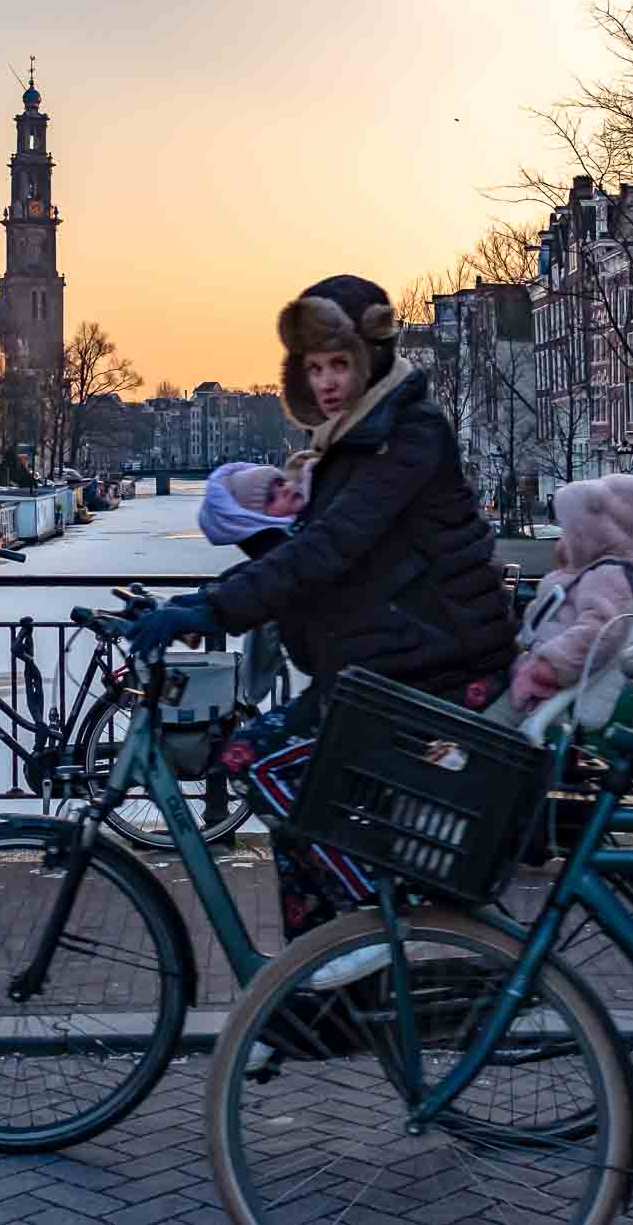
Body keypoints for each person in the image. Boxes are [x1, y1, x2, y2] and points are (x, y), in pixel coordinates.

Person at [125, 274, 517, 985]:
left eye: (340, 364)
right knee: (268, 768)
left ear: (369, 359)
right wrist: (222, 581)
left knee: (260, 762)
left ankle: (374, 927)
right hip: (382, 668)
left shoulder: (409, 435)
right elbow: (313, 555)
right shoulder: (345, 445)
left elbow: (331, 547)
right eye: (314, 367)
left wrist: (212, 608)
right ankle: (314, 991)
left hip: (437, 669)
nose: (328, 382)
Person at [505, 474, 633, 717]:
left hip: (540, 693)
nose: (566, 537)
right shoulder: (593, 571)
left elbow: (599, 632)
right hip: (531, 675)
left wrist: (548, 667)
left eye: (572, 530)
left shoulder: (611, 576)